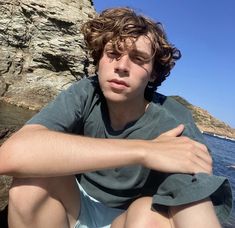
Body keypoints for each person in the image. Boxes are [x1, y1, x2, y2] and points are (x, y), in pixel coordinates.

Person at [0, 7, 232, 228]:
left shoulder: (174, 120)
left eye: (138, 59)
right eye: (112, 54)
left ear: (153, 74)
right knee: (27, 187)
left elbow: (193, 203)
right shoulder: (86, 92)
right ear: (98, 60)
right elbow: (10, 156)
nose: (122, 66)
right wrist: (145, 151)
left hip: (127, 218)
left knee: (147, 216)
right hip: (75, 205)